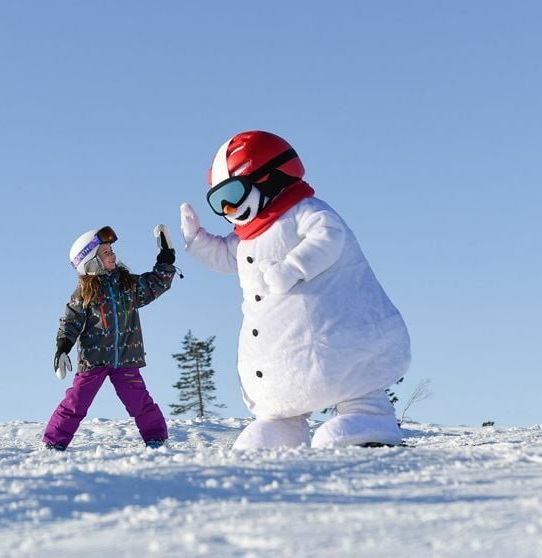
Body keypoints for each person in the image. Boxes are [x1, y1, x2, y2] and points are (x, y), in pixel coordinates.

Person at [180, 130, 411, 449]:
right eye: (218, 203)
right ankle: (282, 429)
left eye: (231, 194)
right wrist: (196, 240)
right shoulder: (250, 238)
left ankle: (370, 416)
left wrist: (292, 268)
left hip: (338, 335)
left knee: (354, 381)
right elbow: (225, 255)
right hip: (283, 350)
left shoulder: (305, 212)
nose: (228, 210)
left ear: (267, 176)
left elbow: (328, 236)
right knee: (279, 403)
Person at [43, 224, 178, 451]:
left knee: (140, 402)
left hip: (125, 358)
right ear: (91, 261)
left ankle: (157, 439)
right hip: (94, 359)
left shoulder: (128, 286)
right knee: (76, 402)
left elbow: (157, 283)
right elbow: (71, 322)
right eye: (106, 252)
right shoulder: (84, 293)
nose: (113, 254)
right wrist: (62, 348)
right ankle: (54, 442)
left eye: (111, 250)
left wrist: (166, 257)